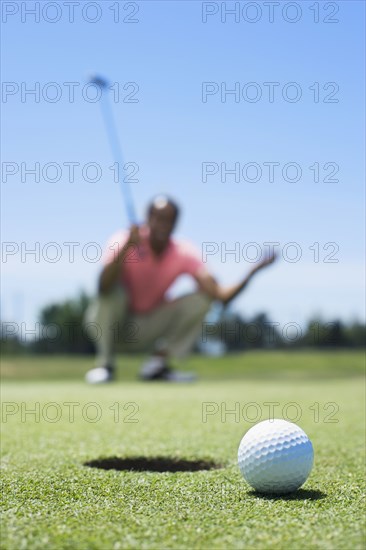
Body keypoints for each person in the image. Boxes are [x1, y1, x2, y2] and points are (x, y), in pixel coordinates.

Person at [84, 195, 276, 383]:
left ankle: (157, 367)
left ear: (176, 224)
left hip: (148, 326)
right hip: (112, 325)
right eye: (158, 218)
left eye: (169, 220)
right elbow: (103, 287)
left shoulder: (183, 251)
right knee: (114, 293)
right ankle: (105, 365)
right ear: (147, 218)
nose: (163, 225)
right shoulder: (123, 239)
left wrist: (251, 272)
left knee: (202, 299)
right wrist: (126, 248)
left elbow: (220, 297)